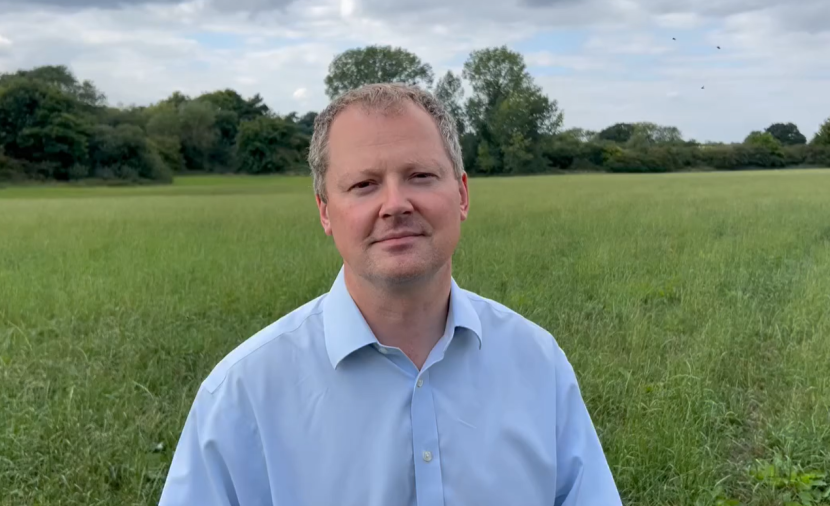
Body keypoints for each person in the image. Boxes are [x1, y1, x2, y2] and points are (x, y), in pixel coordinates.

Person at [159, 83, 622, 506]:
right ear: (324, 210)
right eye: (364, 185)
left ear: (461, 195)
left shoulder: (538, 363)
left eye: (420, 175)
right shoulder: (243, 395)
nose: (395, 204)